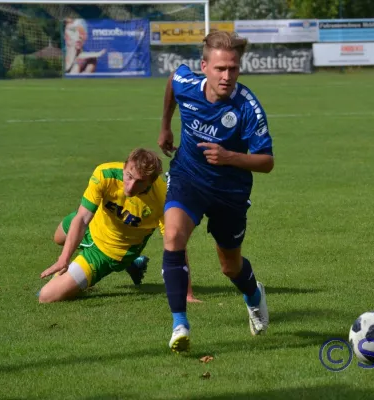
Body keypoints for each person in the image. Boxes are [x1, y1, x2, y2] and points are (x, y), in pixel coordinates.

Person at [157, 30, 274, 352]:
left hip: (229, 192)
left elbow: (267, 162)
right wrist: (166, 124)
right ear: (204, 66)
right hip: (188, 177)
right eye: (220, 69)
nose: (227, 76)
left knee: (230, 267)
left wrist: (229, 157)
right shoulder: (187, 84)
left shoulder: (247, 107)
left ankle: (254, 295)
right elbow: (172, 80)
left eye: (233, 69)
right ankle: (180, 323)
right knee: (173, 238)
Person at [38, 148, 200, 303]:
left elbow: (175, 243)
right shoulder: (105, 174)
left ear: (152, 181)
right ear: (124, 167)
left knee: (46, 296)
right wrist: (64, 259)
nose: (130, 186)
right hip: (93, 224)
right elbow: (81, 219)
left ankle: (126, 263)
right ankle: (134, 265)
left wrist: (186, 294)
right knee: (59, 237)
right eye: (129, 176)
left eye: (139, 182)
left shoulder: (164, 198)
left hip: (109, 252)